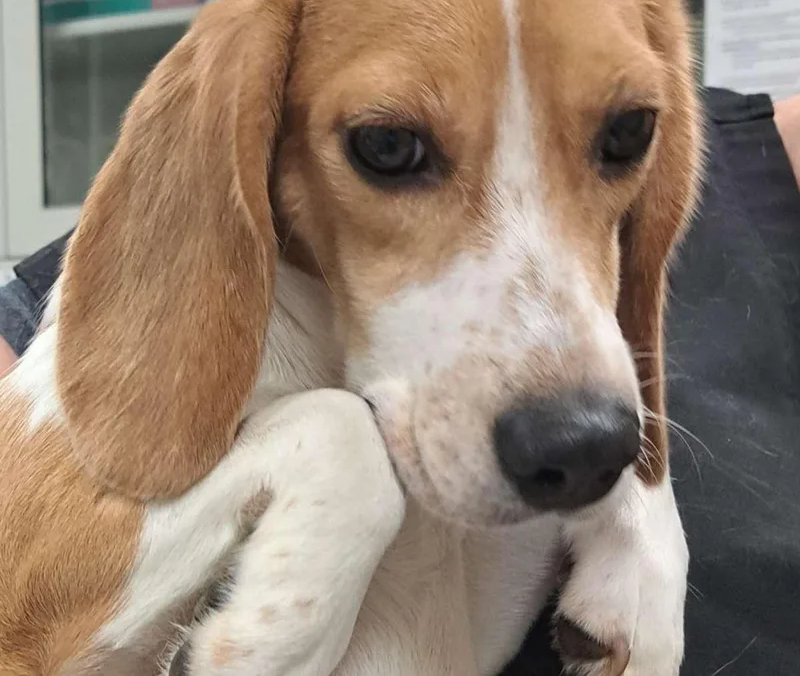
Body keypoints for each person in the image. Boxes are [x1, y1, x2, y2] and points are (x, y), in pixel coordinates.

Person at [2, 89, 799, 676]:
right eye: (391, 147)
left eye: (622, 140)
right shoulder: (207, 245)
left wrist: (634, 485)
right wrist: (329, 457)